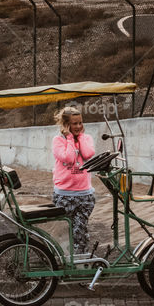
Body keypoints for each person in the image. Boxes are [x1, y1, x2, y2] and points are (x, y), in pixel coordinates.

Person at [51, 106, 96, 254]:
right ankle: (63, 258)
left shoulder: (87, 138)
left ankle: (80, 260)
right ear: (66, 125)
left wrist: (80, 137)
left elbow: (88, 153)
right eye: (74, 124)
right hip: (64, 195)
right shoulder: (58, 140)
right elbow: (69, 158)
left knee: (80, 229)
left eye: (80, 123)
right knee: (63, 231)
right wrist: (69, 138)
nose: (78, 126)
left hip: (84, 195)